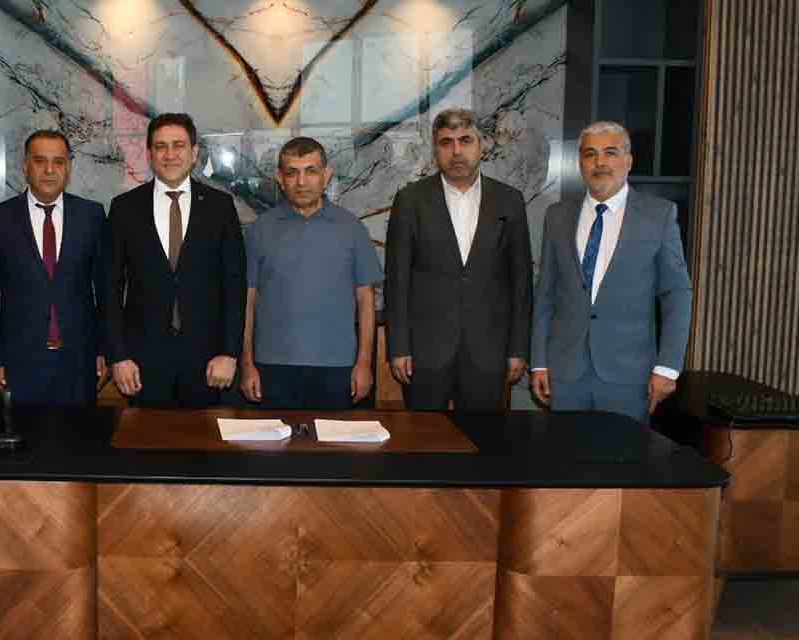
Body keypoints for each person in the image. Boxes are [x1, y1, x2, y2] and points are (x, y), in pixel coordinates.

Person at [531, 121, 693, 424]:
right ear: (580, 163)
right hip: (566, 373)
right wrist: (539, 361)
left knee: (624, 454)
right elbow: (546, 293)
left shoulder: (659, 215)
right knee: (565, 453)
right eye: (590, 154)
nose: (600, 162)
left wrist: (668, 367)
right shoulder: (557, 216)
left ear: (628, 161)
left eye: (610, 152)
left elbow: (677, 294)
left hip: (630, 376)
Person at [385, 108, 533, 411]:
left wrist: (518, 349)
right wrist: (398, 347)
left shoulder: (509, 200)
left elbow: (521, 281)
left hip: (489, 352)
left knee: (483, 438)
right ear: (435, 149)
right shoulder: (410, 200)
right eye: (446, 142)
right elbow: (397, 281)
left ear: (482, 145)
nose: (456, 151)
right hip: (425, 354)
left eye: (465, 140)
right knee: (423, 438)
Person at [104, 113, 246, 408]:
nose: (170, 154)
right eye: (161, 146)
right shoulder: (124, 208)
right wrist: (118, 356)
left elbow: (234, 285)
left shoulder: (220, 207)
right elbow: (110, 288)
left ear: (194, 153)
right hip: (142, 363)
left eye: (178, 145)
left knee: (205, 438)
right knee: (146, 437)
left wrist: (229, 353)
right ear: (149, 155)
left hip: (209, 362)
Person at [239, 137, 382, 409]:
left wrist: (364, 364)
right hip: (272, 367)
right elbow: (247, 300)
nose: (301, 182)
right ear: (280, 178)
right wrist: (247, 364)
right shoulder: (259, 231)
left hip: (338, 367)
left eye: (311, 171)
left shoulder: (352, 229)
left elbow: (366, 300)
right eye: (292, 172)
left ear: (326, 176)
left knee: (334, 438)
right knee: (274, 438)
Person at [0, 130, 109, 405]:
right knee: (23, 434)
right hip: (18, 363)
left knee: (78, 433)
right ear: (25, 166)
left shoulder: (91, 215)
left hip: (79, 361)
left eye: (58, 162)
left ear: (68, 168)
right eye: (40, 161)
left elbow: (105, 290)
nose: (49, 170)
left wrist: (103, 349)